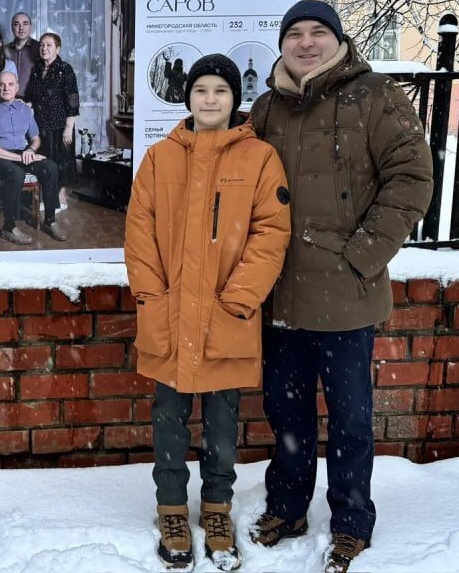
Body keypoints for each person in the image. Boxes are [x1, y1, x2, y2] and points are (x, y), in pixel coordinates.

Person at [247, 0, 432, 573]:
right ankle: (287, 508)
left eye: (317, 32)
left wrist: (362, 258)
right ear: (282, 44)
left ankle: (352, 520)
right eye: (295, 34)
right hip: (280, 294)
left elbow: (412, 177)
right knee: (287, 413)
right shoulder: (266, 108)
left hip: (347, 294)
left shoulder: (374, 95)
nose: (306, 43)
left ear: (338, 40)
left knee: (350, 419)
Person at [126, 54, 291, 571]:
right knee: (168, 421)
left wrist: (238, 298)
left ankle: (217, 510)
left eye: (221, 90)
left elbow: (271, 233)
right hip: (171, 315)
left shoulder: (260, 158)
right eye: (201, 90)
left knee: (222, 425)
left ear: (235, 99)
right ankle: (172, 511)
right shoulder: (160, 157)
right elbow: (139, 232)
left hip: (226, 316)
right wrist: (152, 295)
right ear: (188, 98)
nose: (211, 99)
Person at [0, 70, 69, 244]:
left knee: (50, 167)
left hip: (21, 153)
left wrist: (30, 150)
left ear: (17, 87)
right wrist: (21, 158)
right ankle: (8, 227)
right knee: (16, 174)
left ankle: (50, 220)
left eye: (10, 84)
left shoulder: (25, 110)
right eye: (2, 85)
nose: (6, 88)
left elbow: (36, 139)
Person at [24, 31, 80, 211]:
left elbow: (73, 100)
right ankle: (49, 198)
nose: (44, 48)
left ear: (58, 49)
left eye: (49, 45)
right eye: (42, 45)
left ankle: (61, 199)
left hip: (61, 125)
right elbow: (31, 96)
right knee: (46, 161)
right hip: (41, 125)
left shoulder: (65, 69)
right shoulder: (37, 70)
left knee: (62, 162)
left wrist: (68, 128)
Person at [3, 11, 38, 95]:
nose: (21, 28)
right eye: (17, 24)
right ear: (12, 28)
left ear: (30, 27)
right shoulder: (3, 50)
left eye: (25, 24)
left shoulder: (41, 48)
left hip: (33, 99)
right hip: (8, 98)